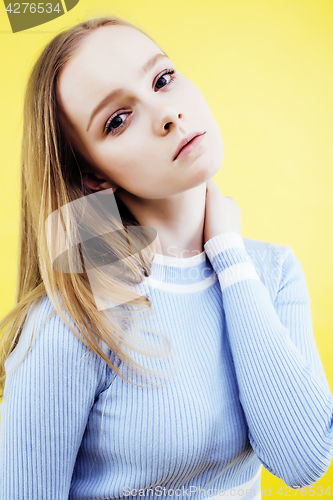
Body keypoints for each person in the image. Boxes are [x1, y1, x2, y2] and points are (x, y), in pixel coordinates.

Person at [0, 16, 332, 500]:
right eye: (117, 119)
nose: (168, 115)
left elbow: (303, 461)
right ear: (95, 177)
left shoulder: (272, 272)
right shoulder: (74, 318)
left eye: (162, 79)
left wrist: (228, 255)